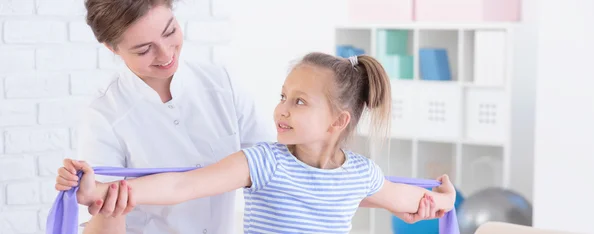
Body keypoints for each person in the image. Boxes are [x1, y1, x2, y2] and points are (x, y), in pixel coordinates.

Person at [56, 52, 456, 234]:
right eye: (283, 96)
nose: (282, 110)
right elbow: (181, 186)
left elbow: (409, 199)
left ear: (338, 121)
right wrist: (100, 190)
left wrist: (444, 200)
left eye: (299, 102)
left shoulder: (361, 175)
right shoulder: (264, 162)